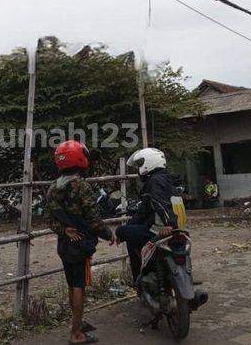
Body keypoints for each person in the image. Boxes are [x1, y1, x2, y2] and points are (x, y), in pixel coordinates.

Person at [45, 140, 115, 345]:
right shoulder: (82, 186)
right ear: (80, 158)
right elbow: (94, 220)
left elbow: (49, 219)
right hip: (81, 243)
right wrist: (109, 235)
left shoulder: (52, 188)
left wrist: (63, 230)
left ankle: (78, 322)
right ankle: (76, 333)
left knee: (71, 283)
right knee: (79, 286)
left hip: (64, 243)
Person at [115, 147, 178, 282]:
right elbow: (143, 212)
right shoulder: (166, 179)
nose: (138, 169)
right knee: (130, 233)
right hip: (174, 228)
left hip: (158, 231)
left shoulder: (154, 182)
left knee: (121, 230)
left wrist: (169, 224)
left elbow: (159, 202)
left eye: (140, 164)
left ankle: (140, 276)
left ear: (148, 163)